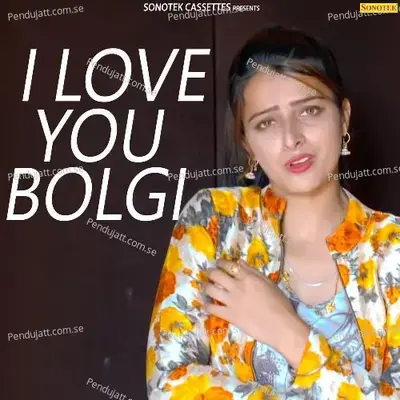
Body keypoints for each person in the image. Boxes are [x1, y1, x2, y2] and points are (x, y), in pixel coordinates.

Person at [146, 25, 400, 399]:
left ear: (343, 117)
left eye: (310, 110)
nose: (291, 137)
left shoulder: (391, 248)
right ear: (247, 143)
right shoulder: (214, 221)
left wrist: (288, 332)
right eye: (266, 122)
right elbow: (168, 386)